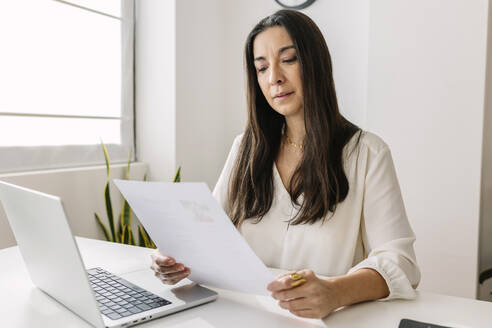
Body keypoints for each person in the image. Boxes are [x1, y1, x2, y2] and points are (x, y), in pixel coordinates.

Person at [150, 9, 420, 319]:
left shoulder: (367, 153)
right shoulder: (244, 149)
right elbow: (206, 235)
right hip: (239, 317)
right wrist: (174, 259)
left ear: (315, 64)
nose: (274, 77)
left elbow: (402, 263)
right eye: (261, 67)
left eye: (288, 60)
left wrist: (335, 291)